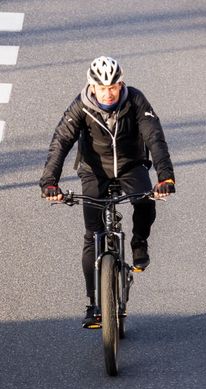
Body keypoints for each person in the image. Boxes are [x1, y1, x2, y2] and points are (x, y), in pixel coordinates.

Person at [39, 56, 176, 328]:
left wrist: (165, 177)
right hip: (94, 171)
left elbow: (154, 138)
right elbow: (61, 142)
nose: (108, 93)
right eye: (102, 88)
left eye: (113, 86)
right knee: (92, 235)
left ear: (121, 84)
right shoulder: (80, 106)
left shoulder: (136, 100)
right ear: (92, 86)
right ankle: (93, 304)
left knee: (146, 201)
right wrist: (50, 182)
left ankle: (139, 242)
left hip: (130, 165)